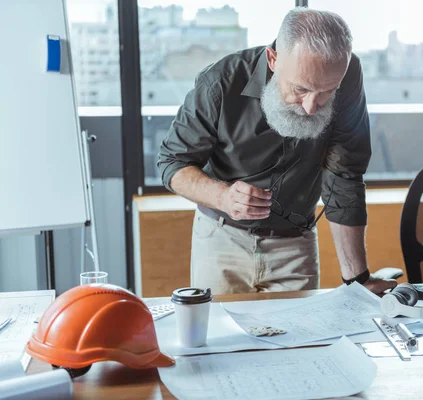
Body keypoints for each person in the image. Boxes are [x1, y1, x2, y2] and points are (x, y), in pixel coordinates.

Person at [158, 7, 398, 295]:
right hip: (222, 237)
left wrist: (357, 281)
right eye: (300, 89)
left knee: (301, 339)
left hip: (295, 244)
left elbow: (343, 174)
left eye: (326, 93)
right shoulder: (220, 82)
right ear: (273, 59)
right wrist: (222, 195)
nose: (311, 107)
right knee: (221, 337)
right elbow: (172, 163)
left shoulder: (346, 74)